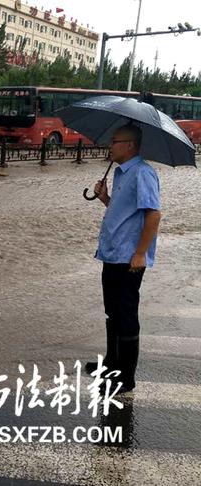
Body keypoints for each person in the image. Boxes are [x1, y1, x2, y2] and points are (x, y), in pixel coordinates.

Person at [85, 124, 161, 394]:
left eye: (114, 141)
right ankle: (111, 363)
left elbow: (153, 215)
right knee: (113, 311)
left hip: (129, 258)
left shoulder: (142, 173)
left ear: (129, 146)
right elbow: (125, 213)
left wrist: (140, 253)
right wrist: (105, 198)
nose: (110, 145)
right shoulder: (121, 173)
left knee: (126, 313)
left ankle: (125, 377)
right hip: (112, 253)